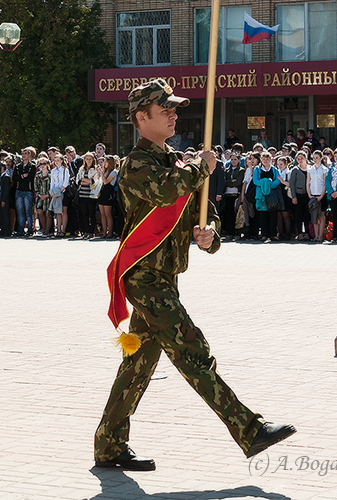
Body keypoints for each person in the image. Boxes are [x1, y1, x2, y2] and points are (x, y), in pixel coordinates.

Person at [94, 79, 294, 471]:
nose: (173, 114)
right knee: (192, 351)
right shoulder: (136, 164)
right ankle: (248, 429)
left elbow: (207, 215)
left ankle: (109, 444)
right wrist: (200, 168)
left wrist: (210, 235)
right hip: (145, 278)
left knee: (138, 365)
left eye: (174, 108)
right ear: (141, 117)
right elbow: (168, 193)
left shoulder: (178, 162)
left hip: (165, 278)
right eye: (163, 109)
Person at [13, 146, 36, 236]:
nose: (23, 155)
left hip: (28, 191)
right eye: (22, 154)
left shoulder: (32, 166)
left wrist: (21, 178)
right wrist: (23, 176)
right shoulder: (18, 166)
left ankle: (30, 229)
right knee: (20, 211)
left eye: (25, 154)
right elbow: (15, 179)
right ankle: (20, 229)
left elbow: (30, 178)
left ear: (29, 155)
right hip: (19, 191)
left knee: (28, 211)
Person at [76, 151, 100, 239]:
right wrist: (86, 181)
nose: (89, 161)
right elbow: (78, 180)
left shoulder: (95, 169)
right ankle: (86, 231)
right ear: (84, 160)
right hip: (82, 194)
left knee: (91, 213)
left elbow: (94, 181)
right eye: (87, 159)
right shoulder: (81, 169)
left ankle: (91, 231)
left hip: (91, 194)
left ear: (93, 160)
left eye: (90, 159)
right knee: (84, 214)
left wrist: (84, 181)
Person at [306, 150, 329, 242]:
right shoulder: (310, 169)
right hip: (313, 194)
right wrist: (309, 194)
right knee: (314, 215)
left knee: (321, 215)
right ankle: (315, 235)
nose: (315, 159)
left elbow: (325, 184)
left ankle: (320, 236)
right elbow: (308, 183)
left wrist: (321, 196)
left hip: (321, 194)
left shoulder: (324, 169)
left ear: (321, 158)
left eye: (317, 158)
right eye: (314, 158)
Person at [97, 155, 118, 238]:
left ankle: (110, 232)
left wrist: (101, 173)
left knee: (108, 214)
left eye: (105, 162)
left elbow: (106, 181)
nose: (104, 164)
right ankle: (104, 232)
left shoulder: (113, 172)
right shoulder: (105, 171)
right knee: (102, 214)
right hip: (102, 193)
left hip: (108, 194)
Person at [49, 153, 70, 236]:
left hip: (63, 193)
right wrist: (52, 193)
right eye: (55, 160)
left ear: (62, 160)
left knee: (64, 212)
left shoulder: (65, 170)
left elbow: (65, 182)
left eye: (58, 160)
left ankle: (63, 230)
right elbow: (52, 182)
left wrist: (59, 191)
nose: (57, 162)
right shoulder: (53, 171)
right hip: (56, 193)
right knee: (57, 212)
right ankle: (58, 230)